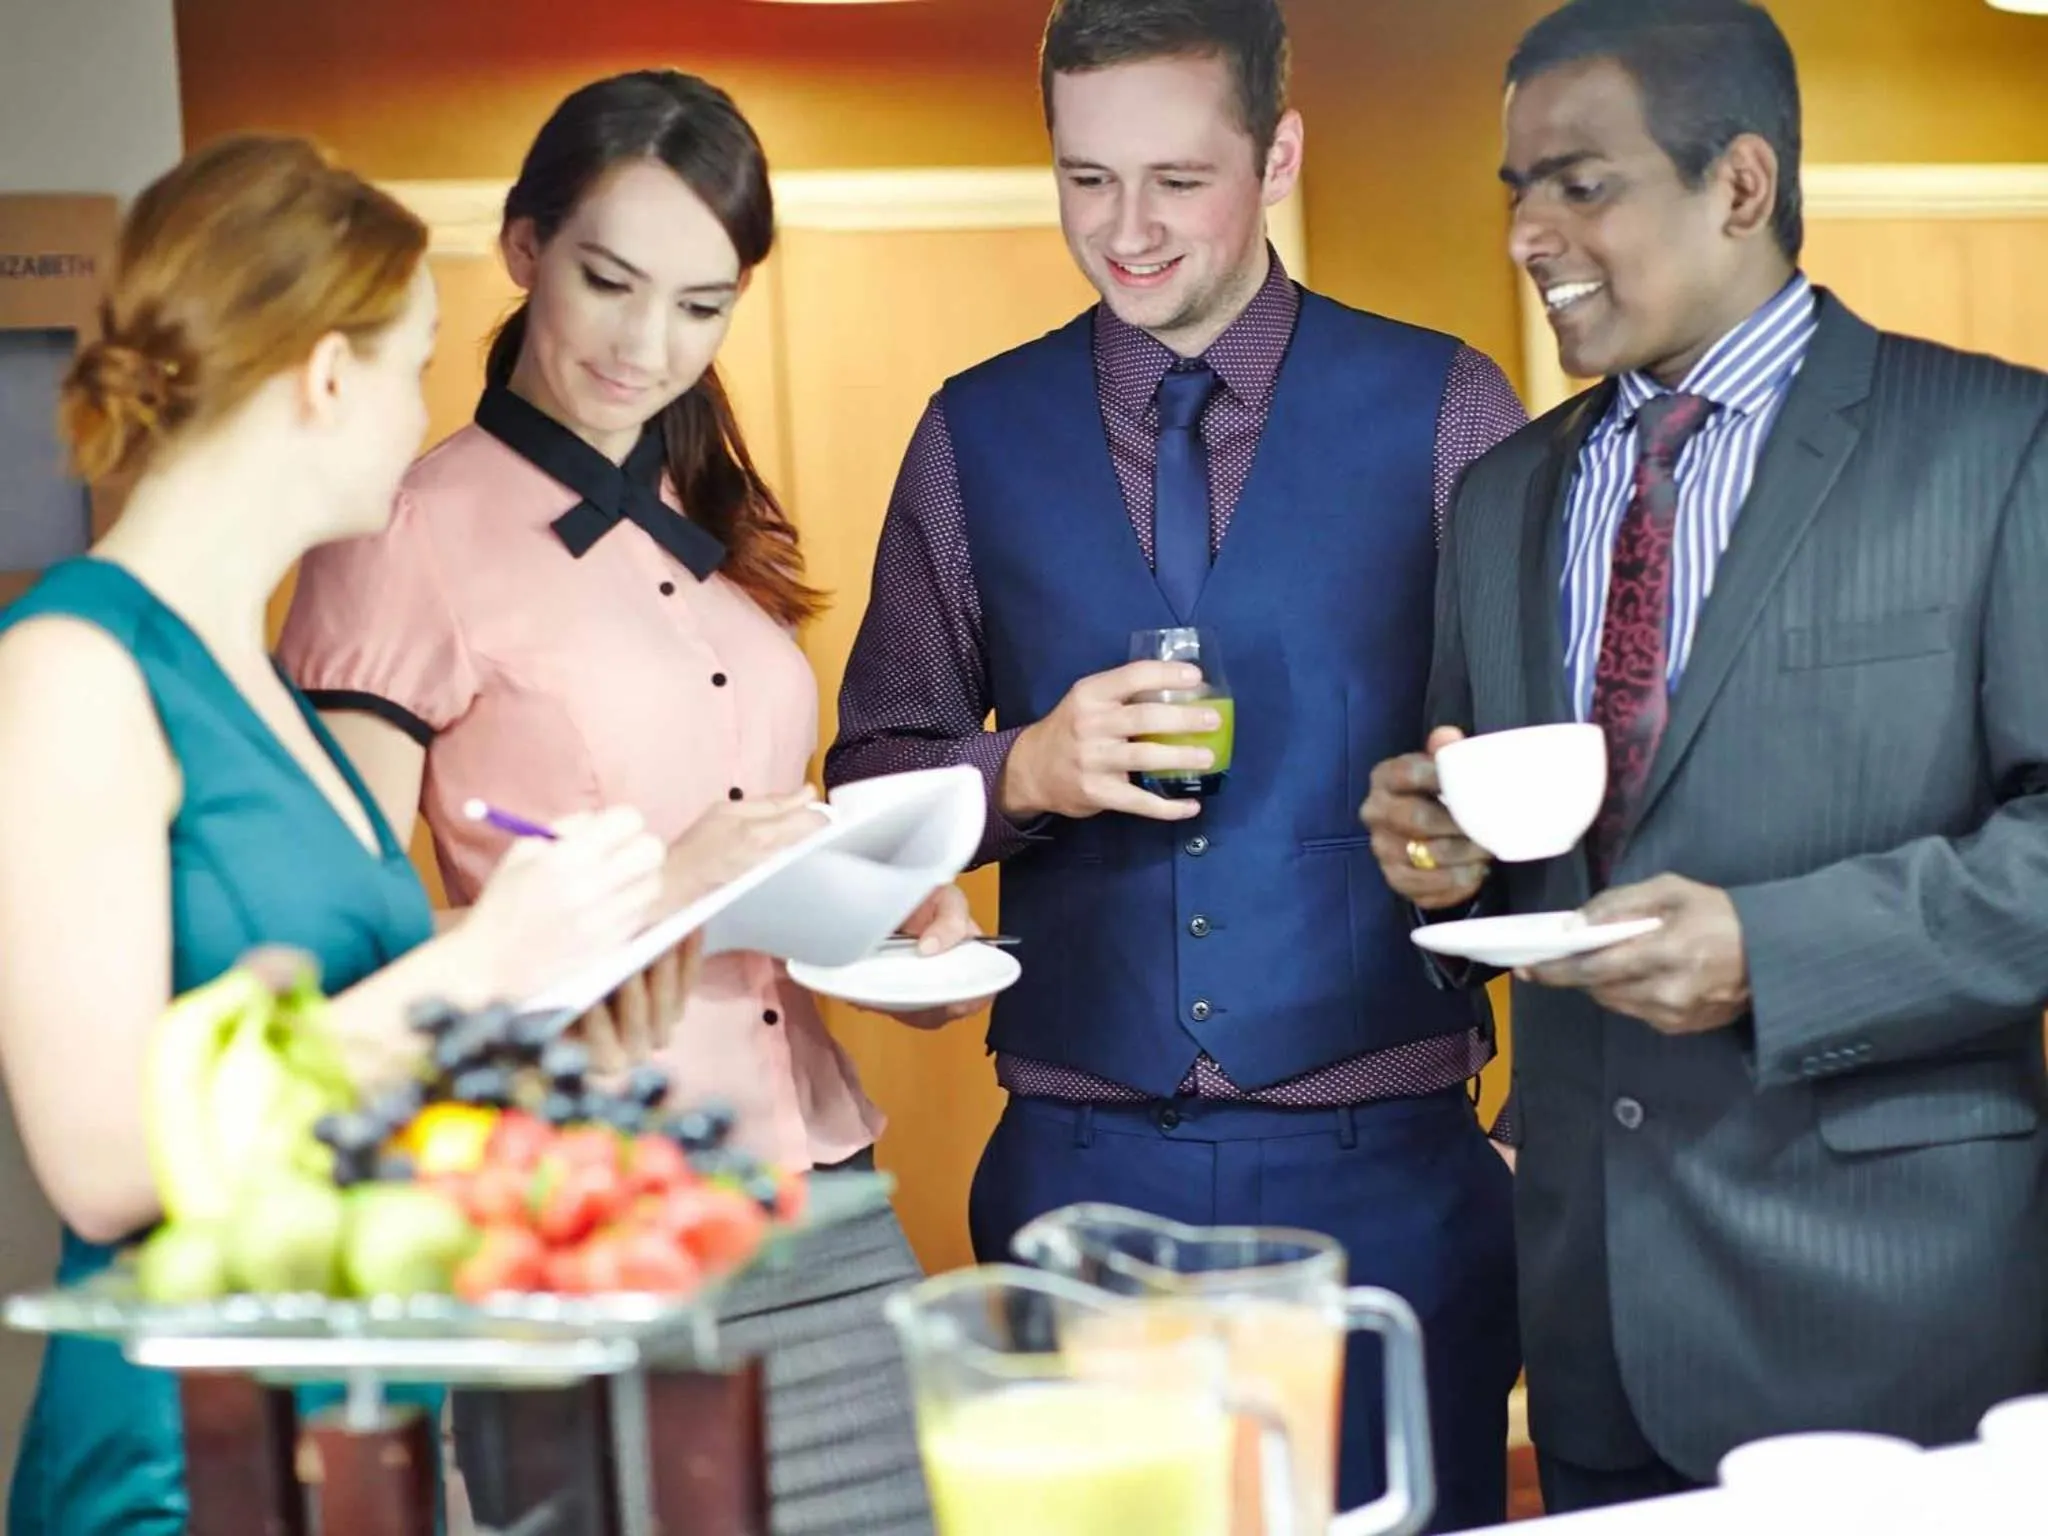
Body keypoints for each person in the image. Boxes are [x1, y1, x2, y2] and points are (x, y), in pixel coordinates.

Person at [825, 0, 1527, 1526]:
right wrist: (1020, 771)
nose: (1125, 230)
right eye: (1085, 180)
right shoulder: (971, 433)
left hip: (1386, 1167)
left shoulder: (1449, 406)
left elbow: (1554, 773)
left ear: (1275, 155)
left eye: (1175, 180)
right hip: (1078, 1170)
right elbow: (874, 773)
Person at [1362, 0, 2048, 1514]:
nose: (1531, 232)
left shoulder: (2003, 448)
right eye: (1514, 191)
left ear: (1739, 183)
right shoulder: (1499, 496)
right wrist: (1437, 860)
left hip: (1898, 1316)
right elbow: (1494, 842)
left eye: (1579, 182)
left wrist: (1776, 951)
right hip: (1593, 1318)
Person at [279, 71, 979, 1536]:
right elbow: (337, 955)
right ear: (524, 248)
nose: (647, 344)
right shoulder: (397, 539)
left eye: (701, 306)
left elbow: (756, 828)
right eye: (608, 281)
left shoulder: (719, 534)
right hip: (580, 1213)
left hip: (822, 1188)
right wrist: (671, 885)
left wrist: (877, 910)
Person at [0, 135, 675, 1536]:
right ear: (323, 376)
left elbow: (315, 1037)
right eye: (413, 363)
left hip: (354, 1434)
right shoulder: (69, 663)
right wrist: (483, 965)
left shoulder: (262, 683)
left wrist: (544, 1006)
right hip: (185, 1463)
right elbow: (106, 1152)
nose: (420, 413)